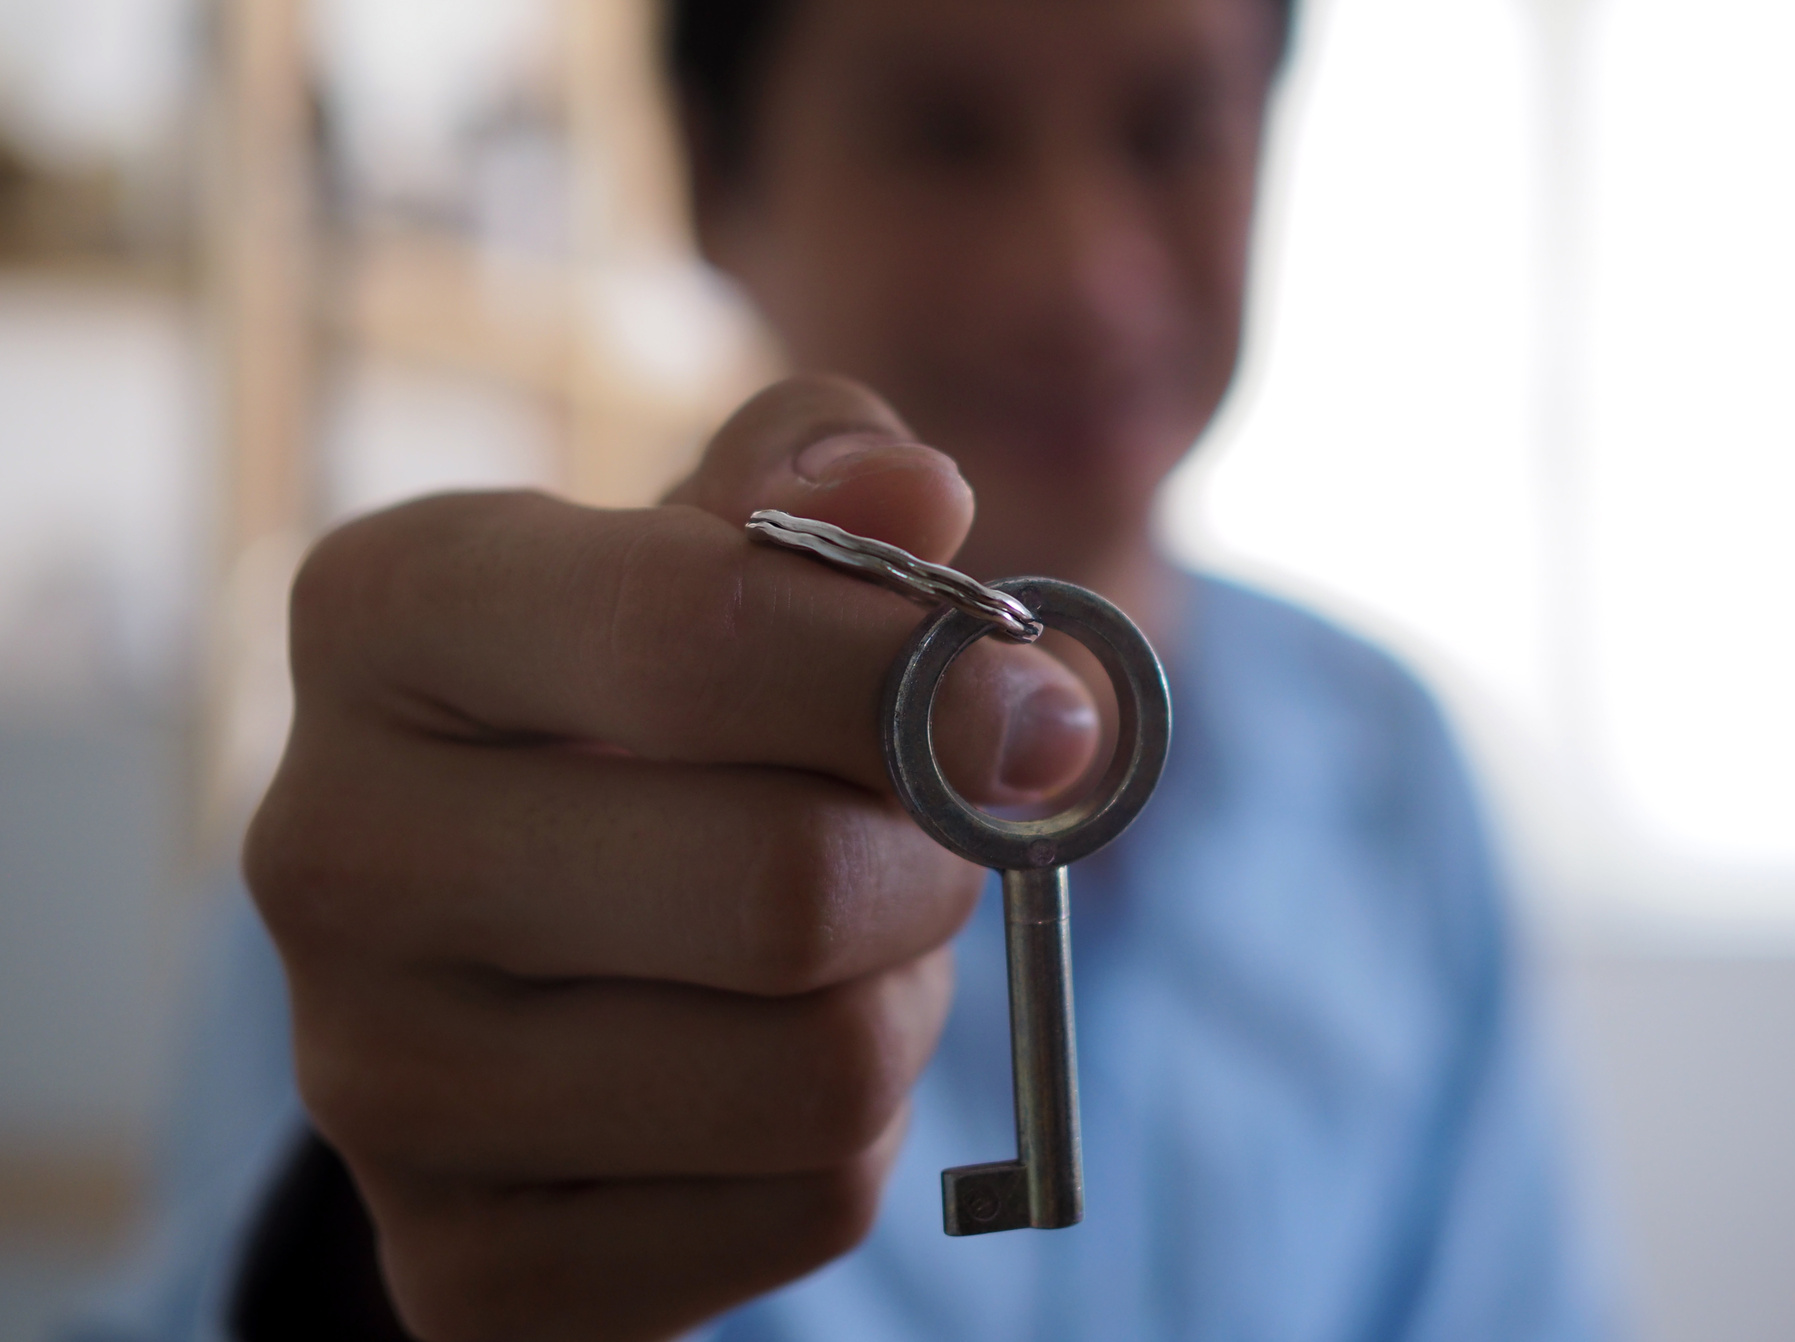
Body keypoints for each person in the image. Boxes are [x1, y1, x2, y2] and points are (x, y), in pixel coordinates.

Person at [71, 0, 1617, 1338]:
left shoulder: (1400, 778)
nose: (1078, 272)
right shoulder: (463, 820)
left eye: (1170, 131)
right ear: (712, 178)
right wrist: (365, 1282)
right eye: (944, 135)